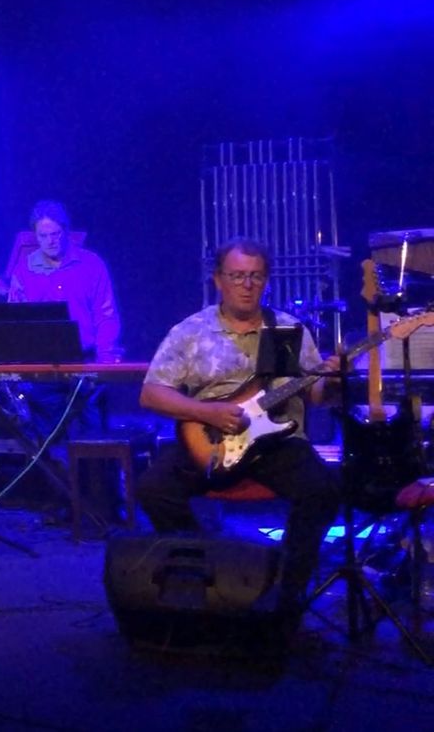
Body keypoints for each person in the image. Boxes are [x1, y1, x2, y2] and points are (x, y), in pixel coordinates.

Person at [137, 238, 341, 618]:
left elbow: (317, 396)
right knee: (152, 488)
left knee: (323, 490)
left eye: (256, 276)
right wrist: (206, 412)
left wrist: (331, 381)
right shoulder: (191, 332)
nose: (247, 285)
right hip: (211, 437)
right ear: (218, 280)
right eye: (237, 276)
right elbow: (150, 394)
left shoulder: (285, 329)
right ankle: (206, 567)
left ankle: (285, 593)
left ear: (266, 280)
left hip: (278, 440)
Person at [7, 200, 123, 362]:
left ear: (66, 231)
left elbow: (105, 316)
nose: (50, 241)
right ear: (36, 236)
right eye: (43, 236)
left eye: (55, 234)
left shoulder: (92, 264)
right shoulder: (23, 270)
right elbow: (16, 321)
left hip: (86, 359)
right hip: (39, 362)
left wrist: (105, 357)